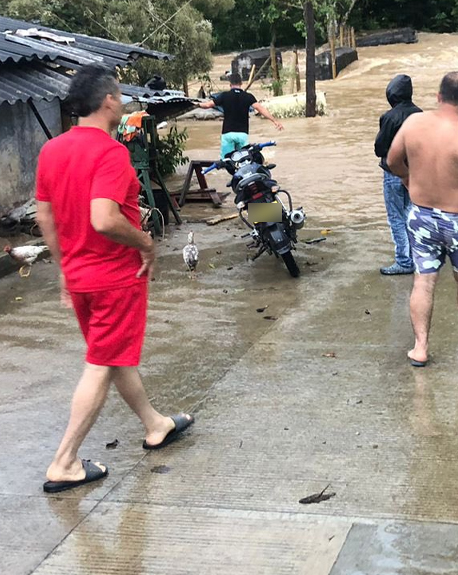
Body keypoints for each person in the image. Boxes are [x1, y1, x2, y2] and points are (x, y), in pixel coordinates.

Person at [35, 64, 194, 494]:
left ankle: (155, 424)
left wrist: (64, 268)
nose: (122, 100)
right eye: (120, 93)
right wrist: (145, 241)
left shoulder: (52, 151)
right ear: (108, 100)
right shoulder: (110, 153)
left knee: (114, 354)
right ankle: (65, 460)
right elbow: (104, 219)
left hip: (82, 278)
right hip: (114, 278)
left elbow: (45, 214)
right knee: (102, 363)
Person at [386, 71, 458, 367]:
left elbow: (391, 160)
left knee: (423, 283)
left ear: (438, 97)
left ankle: (420, 348)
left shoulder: (413, 123)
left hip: (421, 216)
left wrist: (408, 178)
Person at [373, 74, 422, 275]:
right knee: (413, 214)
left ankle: (403, 260)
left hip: (393, 173)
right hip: (416, 172)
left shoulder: (389, 117)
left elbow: (379, 147)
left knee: (396, 217)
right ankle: (417, 256)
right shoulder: (420, 114)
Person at [197, 71, 284, 157]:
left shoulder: (224, 96)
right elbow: (260, 109)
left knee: (227, 162)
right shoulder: (248, 96)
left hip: (228, 134)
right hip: (242, 134)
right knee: (243, 159)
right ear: (241, 83)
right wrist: (275, 121)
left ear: (230, 84)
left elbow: (207, 105)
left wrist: (195, 105)